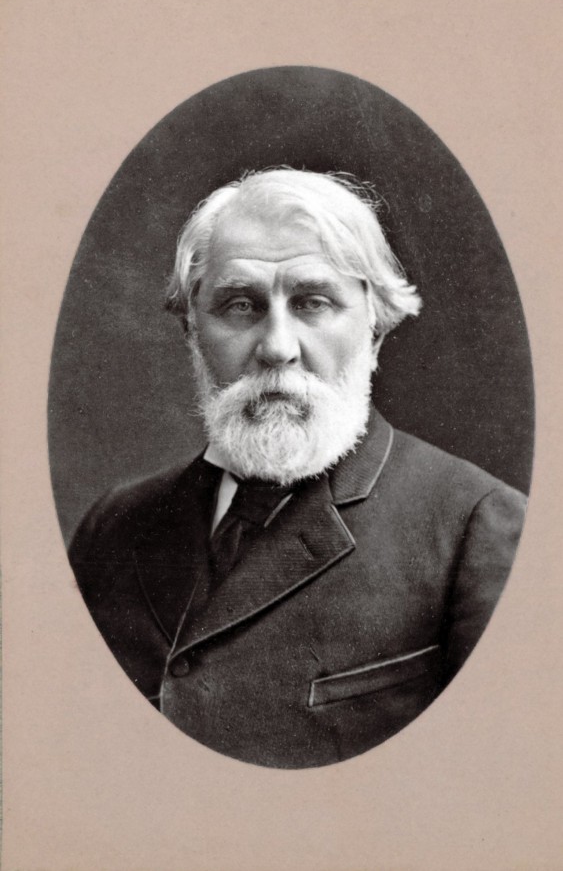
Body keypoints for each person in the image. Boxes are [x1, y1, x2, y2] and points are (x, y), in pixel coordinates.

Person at [69, 168, 526, 768]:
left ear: (375, 329)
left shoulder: (478, 528)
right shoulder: (112, 526)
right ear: (191, 331)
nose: (277, 347)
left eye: (313, 303)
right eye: (240, 305)